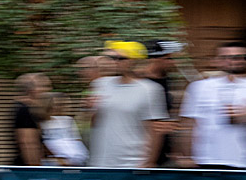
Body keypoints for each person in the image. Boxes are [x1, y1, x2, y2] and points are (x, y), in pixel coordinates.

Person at [178, 41, 246, 169]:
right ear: (216, 60)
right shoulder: (199, 87)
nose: (238, 61)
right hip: (205, 159)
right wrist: (187, 156)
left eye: (244, 57)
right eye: (231, 57)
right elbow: (189, 124)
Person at [89, 41, 168, 169]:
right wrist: (91, 109)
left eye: (120, 58)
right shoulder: (100, 84)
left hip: (132, 163)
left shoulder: (150, 89)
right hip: (101, 162)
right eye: (112, 58)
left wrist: (149, 162)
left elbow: (155, 130)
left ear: (134, 61)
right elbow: (94, 123)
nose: (115, 62)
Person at [143, 39, 185, 166]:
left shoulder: (167, 79)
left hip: (165, 151)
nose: (173, 63)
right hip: (145, 152)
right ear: (156, 58)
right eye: (169, 59)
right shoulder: (141, 82)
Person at [38, 91, 88, 166]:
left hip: (75, 162)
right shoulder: (41, 124)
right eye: (56, 104)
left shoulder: (68, 120)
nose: (58, 108)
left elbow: (77, 142)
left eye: (63, 104)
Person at [11, 72, 51, 166]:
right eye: (44, 86)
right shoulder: (25, 110)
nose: (48, 90)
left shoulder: (34, 109)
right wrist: (35, 169)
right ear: (32, 90)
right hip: (27, 167)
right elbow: (28, 143)